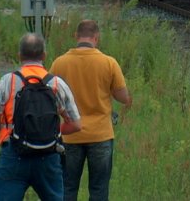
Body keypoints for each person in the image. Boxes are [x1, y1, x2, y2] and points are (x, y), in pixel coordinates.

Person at [0, 32, 82, 201]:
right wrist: (47, 131)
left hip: (13, 154)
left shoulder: (8, 81)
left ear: (19, 56)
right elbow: (75, 125)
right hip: (48, 155)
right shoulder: (57, 84)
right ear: (44, 56)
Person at [50, 19, 132, 201]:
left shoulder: (59, 63)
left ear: (76, 37)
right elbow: (123, 97)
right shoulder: (109, 63)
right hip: (101, 135)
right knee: (99, 190)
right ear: (97, 38)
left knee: (67, 188)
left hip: (71, 135)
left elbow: (50, 98)